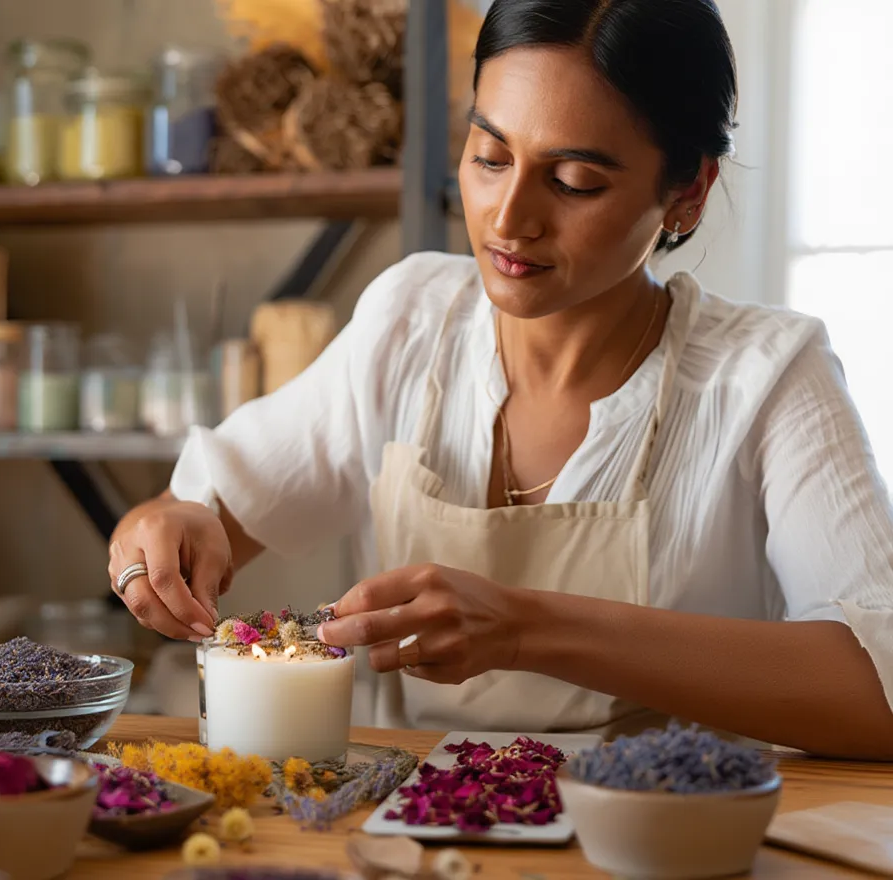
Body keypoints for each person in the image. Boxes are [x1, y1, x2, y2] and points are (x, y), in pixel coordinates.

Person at [108, 0, 893, 758]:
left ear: (687, 191)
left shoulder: (770, 375)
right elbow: (209, 509)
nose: (509, 217)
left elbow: (877, 694)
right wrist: (169, 527)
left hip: (666, 840)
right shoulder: (411, 320)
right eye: (489, 156)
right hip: (416, 833)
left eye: (575, 181)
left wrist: (525, 628)